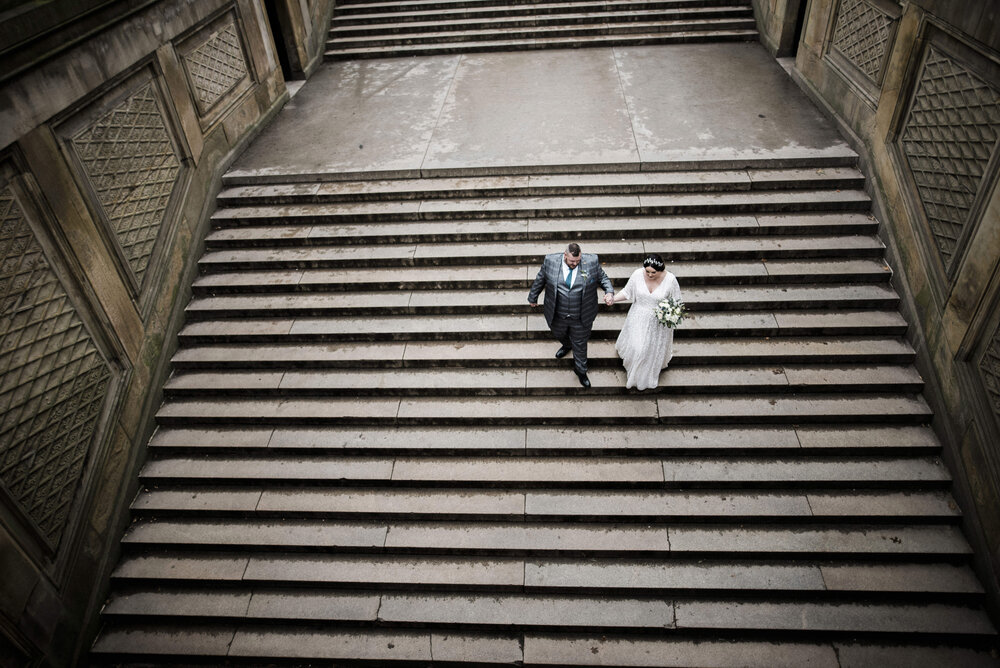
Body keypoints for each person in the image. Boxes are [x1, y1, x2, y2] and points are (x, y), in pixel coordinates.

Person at [528, 243, 614, 388]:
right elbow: (540, 279)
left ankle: (581, 371)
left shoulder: (591, 262)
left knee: (580, 344)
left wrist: (609, 292)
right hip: (557, 313)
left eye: (578, 261)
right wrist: (533, 297)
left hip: (581, 315)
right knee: (558, 333)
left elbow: (603, 278)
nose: (575, 264)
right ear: (565, 255)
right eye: (572, 261)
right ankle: (567, 344)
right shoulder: (550, 261)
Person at [611, 254, 682, 390]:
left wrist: (670, 314)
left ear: (661, 270)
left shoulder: (671, 280)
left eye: (653, 272)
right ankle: (633, 370)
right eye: (647, 271)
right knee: (638, 348)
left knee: (648, 350)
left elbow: (677, 302)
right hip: (638, 317)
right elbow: (627, 292)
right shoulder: (637, 274)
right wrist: (613, 299)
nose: (649, 275)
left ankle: (642, 375)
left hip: (657, 323)